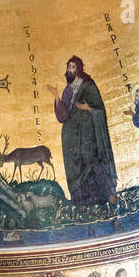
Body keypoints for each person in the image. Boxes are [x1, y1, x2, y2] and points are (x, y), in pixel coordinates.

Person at [47, 57, 117, 204]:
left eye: (72, 67)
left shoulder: (88, 87)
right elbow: (63, 116)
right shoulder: (67, 91)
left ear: (78, 69)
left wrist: (88, 109)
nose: (69, 70)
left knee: (93, 161)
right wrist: (56, 97)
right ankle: (82, 203)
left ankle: (109, 196)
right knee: (75, 169)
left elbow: (100, 109)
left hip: (88, 133)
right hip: (71, 137)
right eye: (68, 68)